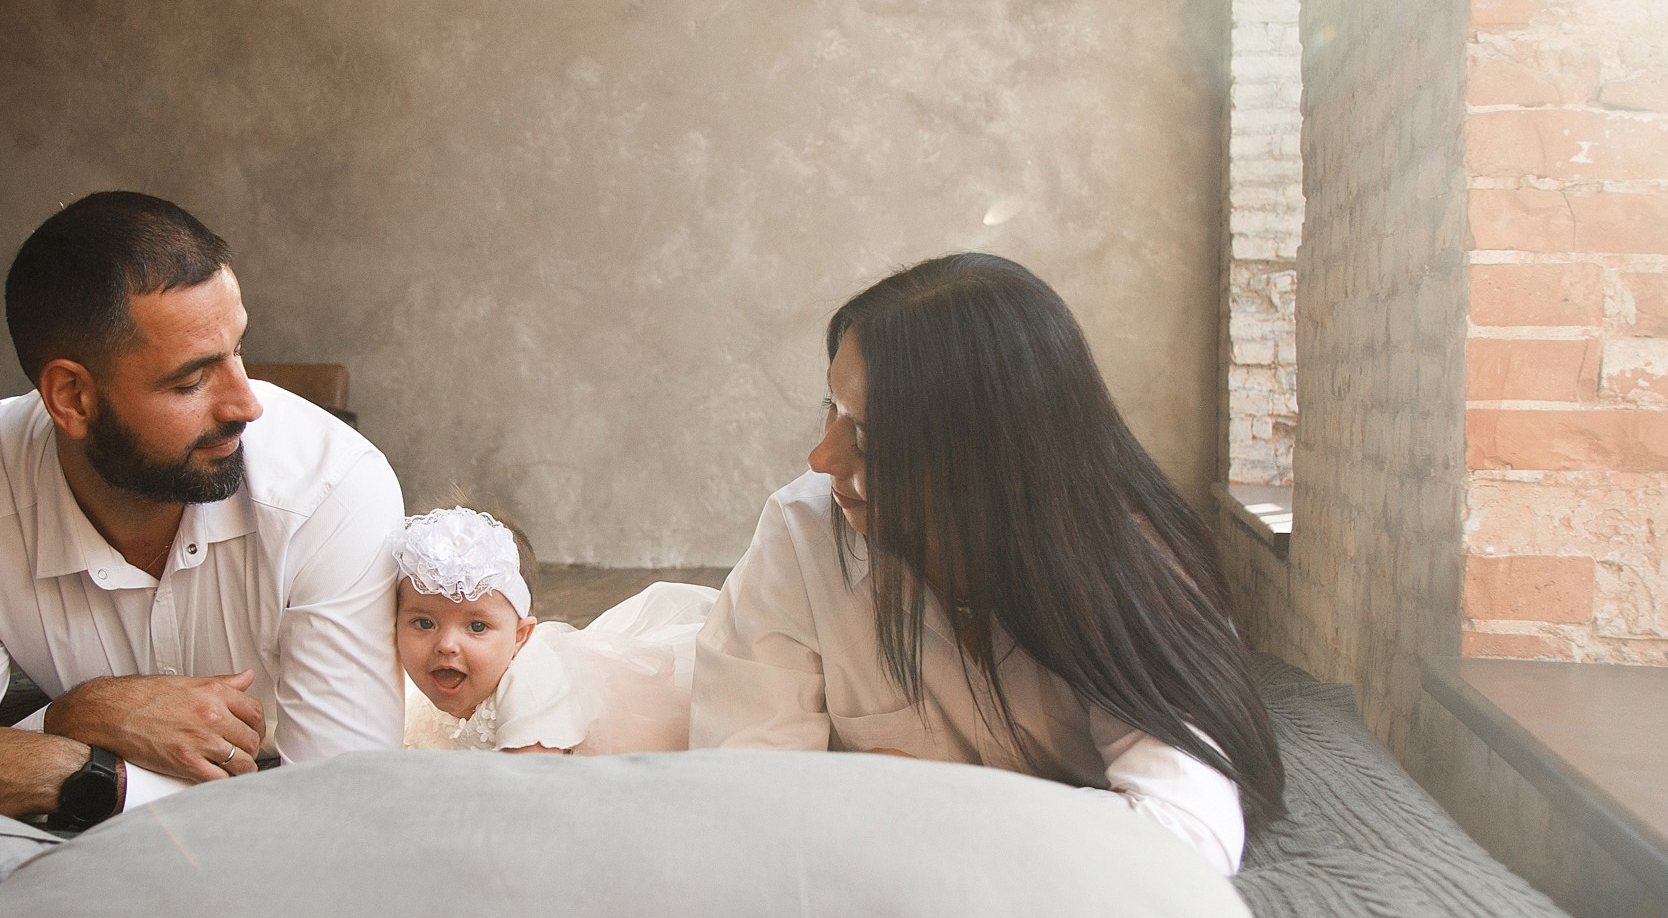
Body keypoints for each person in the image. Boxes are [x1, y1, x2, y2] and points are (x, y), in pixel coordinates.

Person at [688, 253, 1283, 876]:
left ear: (980, 459)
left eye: (864, 434)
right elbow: (745, 806)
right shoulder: (803, 532)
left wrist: (925, 801)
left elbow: (1185, 835)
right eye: (831, 411)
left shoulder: (1128, 566)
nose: (820, 457)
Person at [0, 192, 405, 830]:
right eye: (190, 382)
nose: (245, 404)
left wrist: (74, 769)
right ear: (72, 398)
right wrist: (76, 714)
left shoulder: (332, 488)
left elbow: (345, 810)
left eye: (238, 352)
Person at [394, 506, 706, 755]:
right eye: (424, 623)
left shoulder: (531, 680)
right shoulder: (401, 685)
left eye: (477, 627)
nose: (446, 645)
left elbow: (534, 789)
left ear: (520, 637)